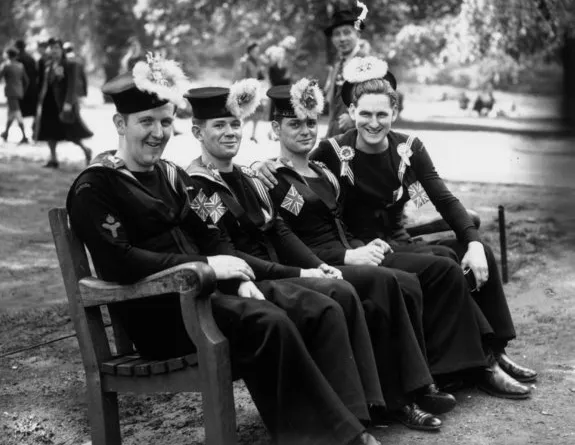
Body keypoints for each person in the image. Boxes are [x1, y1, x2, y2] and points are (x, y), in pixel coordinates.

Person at [67, 53, 381, 445]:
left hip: (205, 294)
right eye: (146, 122)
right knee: (268, 322)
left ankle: (340, 423)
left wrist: (238, 275)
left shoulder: (171, 175)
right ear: (120, 123)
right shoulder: (96, 186)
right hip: (160, 313)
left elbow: (210, 234)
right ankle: (328, 436)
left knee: (311, 307)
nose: (158, 133)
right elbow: (120, 262)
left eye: (165, 122)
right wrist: (210, 268)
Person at [184, 82, 457, 432]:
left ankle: (397, 398)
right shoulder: (199, 185)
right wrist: (307, 270)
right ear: (197, 132)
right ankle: (369, 411)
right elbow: (228, 251)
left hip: (288, 268)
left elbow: (278, 230)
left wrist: (317, 267)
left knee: (382, 287)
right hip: (249, 284)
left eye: (235, 124)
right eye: (219, 125)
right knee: (355, 290)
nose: (230, 132)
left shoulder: (248, 176)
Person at [310, 56, 537, 395]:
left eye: (382, 114)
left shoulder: (409, 147)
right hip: (366, 251)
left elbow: (443, 198)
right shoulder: (331, 151)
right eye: (366, 114)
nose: (374, 123)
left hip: (402, 240)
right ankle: (481, 364)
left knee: (479, 250)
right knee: (444, 265)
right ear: (353, 111)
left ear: (394, 114)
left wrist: (472, 241)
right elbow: (298, 178)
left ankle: (497, 350)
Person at [34, 38, 93, 168]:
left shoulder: (70, 64)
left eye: (56, 48)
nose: (54, 50)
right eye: (51, 48)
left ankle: (86, 150)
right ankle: (53, 159)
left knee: (71, 133)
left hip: (63, 104)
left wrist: (68, 103)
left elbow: (72, 86)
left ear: (61, 50)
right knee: (49, 131)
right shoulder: (48, 64)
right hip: (49, 103)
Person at [324, 1, 370, 138]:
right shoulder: (337, 66)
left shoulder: (368, 64)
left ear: (357, 35)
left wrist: (356, 118)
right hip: (334, 136)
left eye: (347, 32)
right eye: (337, 34)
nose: (342, 38)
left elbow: (380, 103)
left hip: (359, 138)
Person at [0, 47, 30, 144]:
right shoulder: (20, 66)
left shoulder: (7, 66)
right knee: (11, 114)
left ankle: (24, 136)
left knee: (16, 113)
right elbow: (26, 81)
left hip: (11, 93)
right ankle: (6, 133)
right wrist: (22, 90)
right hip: (18, 92)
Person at [236, 42, 266, 142]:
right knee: (247, 113)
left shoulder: (257, 62)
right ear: (250, 51)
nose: (256, 53)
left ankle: (253, 134)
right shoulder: (245, 61)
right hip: (248, 90)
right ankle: (238, 132)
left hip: (256, 90)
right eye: (254, 51)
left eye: (258, 51)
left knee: (258, 112)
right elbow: (241, 76)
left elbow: (260, 76)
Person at [14, 39, 39, 131]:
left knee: (17, 111)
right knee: (34, 111)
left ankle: (23, 134)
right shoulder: (31, 58)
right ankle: (34, 127)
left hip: (21, 89)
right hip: (32, 88)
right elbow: (37, 73)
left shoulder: (17, 60)